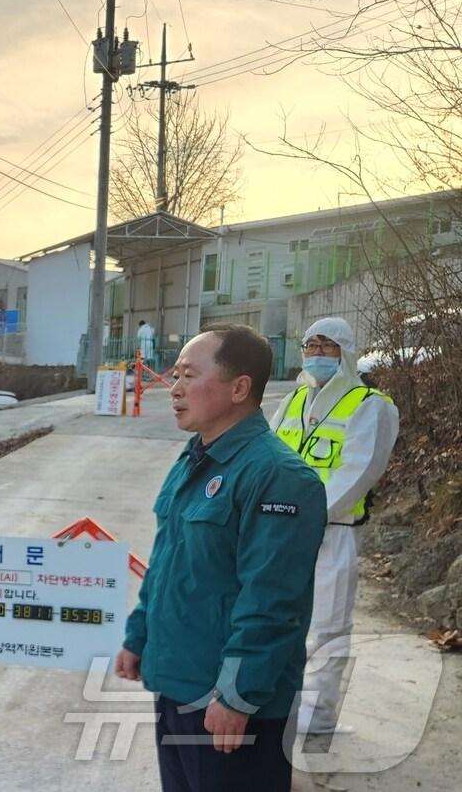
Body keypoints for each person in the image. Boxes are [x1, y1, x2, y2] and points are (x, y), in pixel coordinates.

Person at [116, 324, 326, 792]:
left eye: (189, 375)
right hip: (178, 680)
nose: (175, 389)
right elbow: (169, 560)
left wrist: (237, 696)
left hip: (229, 703)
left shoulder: (278, 478)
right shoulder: (196, 459)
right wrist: (139, 635)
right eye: (174, 376)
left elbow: (273, 602)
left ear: (239, 388)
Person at [268, 317, 398, 738]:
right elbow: (266, 456)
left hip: (333, 530)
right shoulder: (292, 401)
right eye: (310, 346)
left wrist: (307, 517)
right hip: (281, 531)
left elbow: (359, 471)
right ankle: (278, 704)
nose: (318, 355)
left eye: (327, 346)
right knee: (277, 620)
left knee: (326, 627)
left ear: (346, 351)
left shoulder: (370, 405)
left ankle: (317, 716)